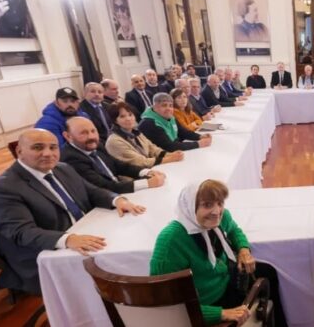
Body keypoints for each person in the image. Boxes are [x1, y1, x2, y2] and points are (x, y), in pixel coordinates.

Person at [0, 129, 145, 295]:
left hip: (84, 231)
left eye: (53, 147)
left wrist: (116, 200)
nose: (48, 153)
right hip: (44, 255)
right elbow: (22, 232)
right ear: (20, 151)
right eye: (38, 147)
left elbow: (92, 191)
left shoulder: (63, 168)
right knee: (125, 268)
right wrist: (68, 239)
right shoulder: (2, 188)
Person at [150, 180, 287, 327]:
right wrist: (220, 314)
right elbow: (169, 305)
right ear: (190, 206)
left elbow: (234, 230)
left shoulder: (220, 217)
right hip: (207, 303)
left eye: (220, 203)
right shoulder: (171, 241)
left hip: (226, 281)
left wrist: (243, 250)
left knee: (269, 272)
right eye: (207, 205)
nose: (217, 212)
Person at [60, 117, 166, 194]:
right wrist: (147, 183)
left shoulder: (97, 144)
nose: (91, 136)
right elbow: (104, 186)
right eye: (83, 133)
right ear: (68, 136)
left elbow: (117, 165)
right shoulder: (71, 158)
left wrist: (147, 172)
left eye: (93, 131)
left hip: (120, 191)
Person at [105, 101, 184, 168]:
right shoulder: (114, 141)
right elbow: (140, 162)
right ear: (115, 121)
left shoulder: (135, 132)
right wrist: (168, 159)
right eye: (122, 116)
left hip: (151, 168)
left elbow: (152, 148)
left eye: (130, 114)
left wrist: (169, 154)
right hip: (134, 178)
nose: (128, 119)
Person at [138, 93, 212, 152]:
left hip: (172, 151)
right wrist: (198, 144)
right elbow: (169, 147)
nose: (168, 109)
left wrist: (199, 136)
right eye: (164, 105)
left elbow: (182, 132)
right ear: (154, 107)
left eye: (170, 105)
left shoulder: (169, 117)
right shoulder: (149, 123)